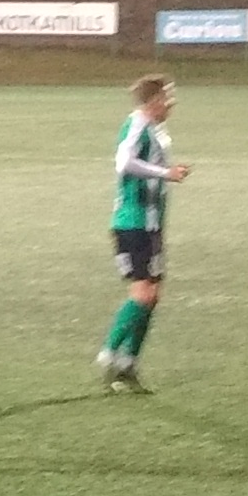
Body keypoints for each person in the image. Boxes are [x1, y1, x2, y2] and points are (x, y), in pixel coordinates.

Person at [98, 75, 186, 393]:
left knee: (153, 296)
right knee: (142, 294)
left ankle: (128, 365)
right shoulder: (136, 124)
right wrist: (166, 173)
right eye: (168, 98)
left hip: (151, 225)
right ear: (155, 101)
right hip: (132, 222)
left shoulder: (153, 129)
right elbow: (124, 163)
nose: (172, 103)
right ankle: (109, 353)